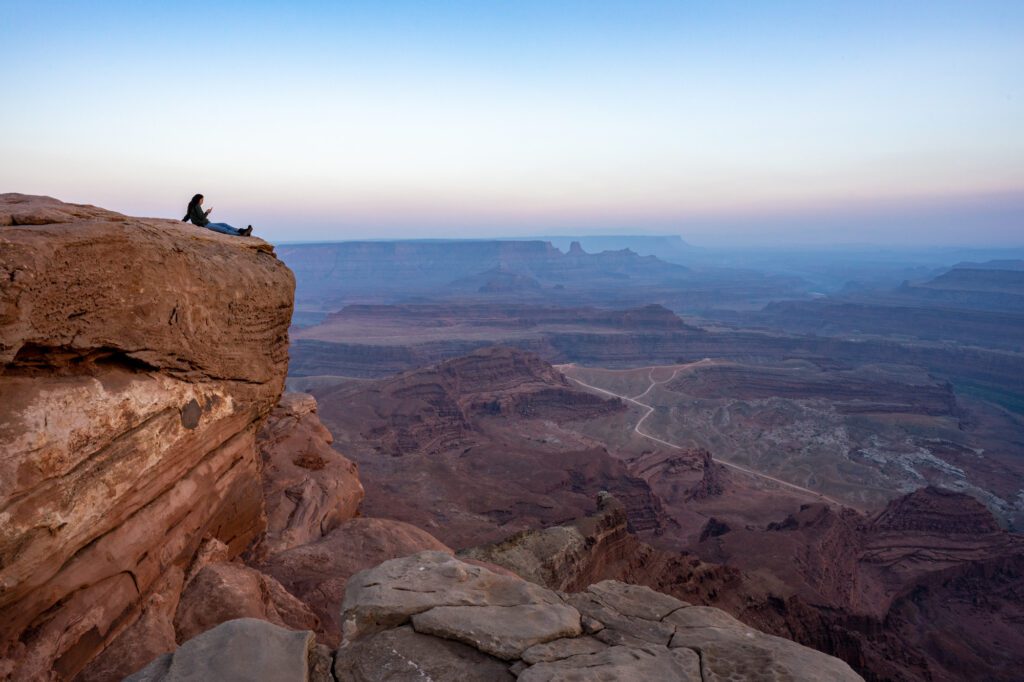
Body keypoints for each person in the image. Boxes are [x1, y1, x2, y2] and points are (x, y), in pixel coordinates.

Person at [182, 194, 253, 236]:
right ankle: (241, 234)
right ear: (198, 200)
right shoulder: (196, 206)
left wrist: (181, 222)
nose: (202, 201)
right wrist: (207, 212)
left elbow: (187, 216)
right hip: (205, 225)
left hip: (207, 223)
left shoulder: (193, 206)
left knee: (224, 225)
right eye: (202, 200)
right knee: (224, 230)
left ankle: (242, 231)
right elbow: (201, 217)